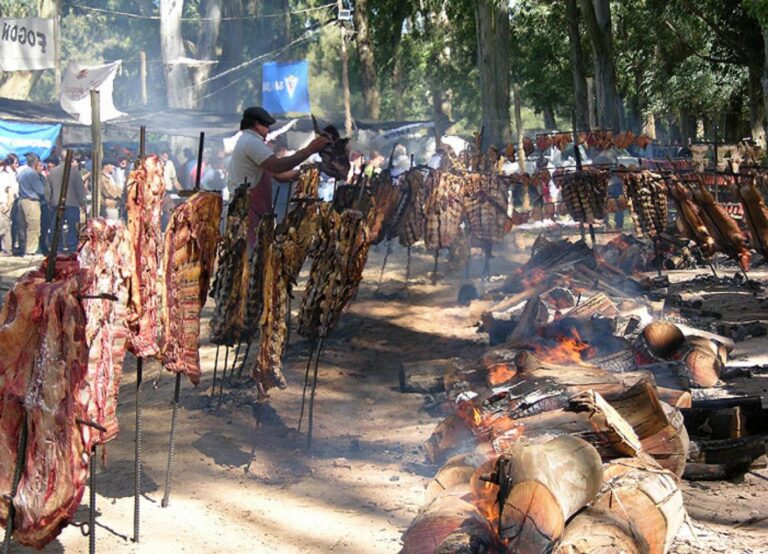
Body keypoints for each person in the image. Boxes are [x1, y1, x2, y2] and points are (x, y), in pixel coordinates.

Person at [228, 106, 328, 248]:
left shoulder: (247, 140)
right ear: (257, 125)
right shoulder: (251, 141)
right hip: (248, 208)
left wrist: (305, 173)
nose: (268, 130)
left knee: (261, 250)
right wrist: (308, 150)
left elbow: (280, 175)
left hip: (256, 209)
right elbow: (277, 166)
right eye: (266, 126)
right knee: (252, 252)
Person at [47, 151, 88, 253]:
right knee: (72, 227)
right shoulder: (74, 172)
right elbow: (80, 189)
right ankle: (72, 247)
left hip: (57, 204)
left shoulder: (52, 172)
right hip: (72, 204)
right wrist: (82, 202)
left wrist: (50, 202)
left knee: (57, 227)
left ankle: (58, 248)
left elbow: (48, 191)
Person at [16, 153, 47, 256]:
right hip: (31, 202)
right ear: (36, 162)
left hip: (22, 201)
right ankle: (31, 250)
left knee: (23, 227)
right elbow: (41, 191)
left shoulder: (22, 172)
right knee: (33, 227)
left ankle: (24, 248)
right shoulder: (32, 174)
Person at [0, 154, 19, 255]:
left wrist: (8, 205)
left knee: (4, 228)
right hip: (4, 203)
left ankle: (7, 250)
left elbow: (11, 191)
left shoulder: (5, 175)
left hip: (3, 204)